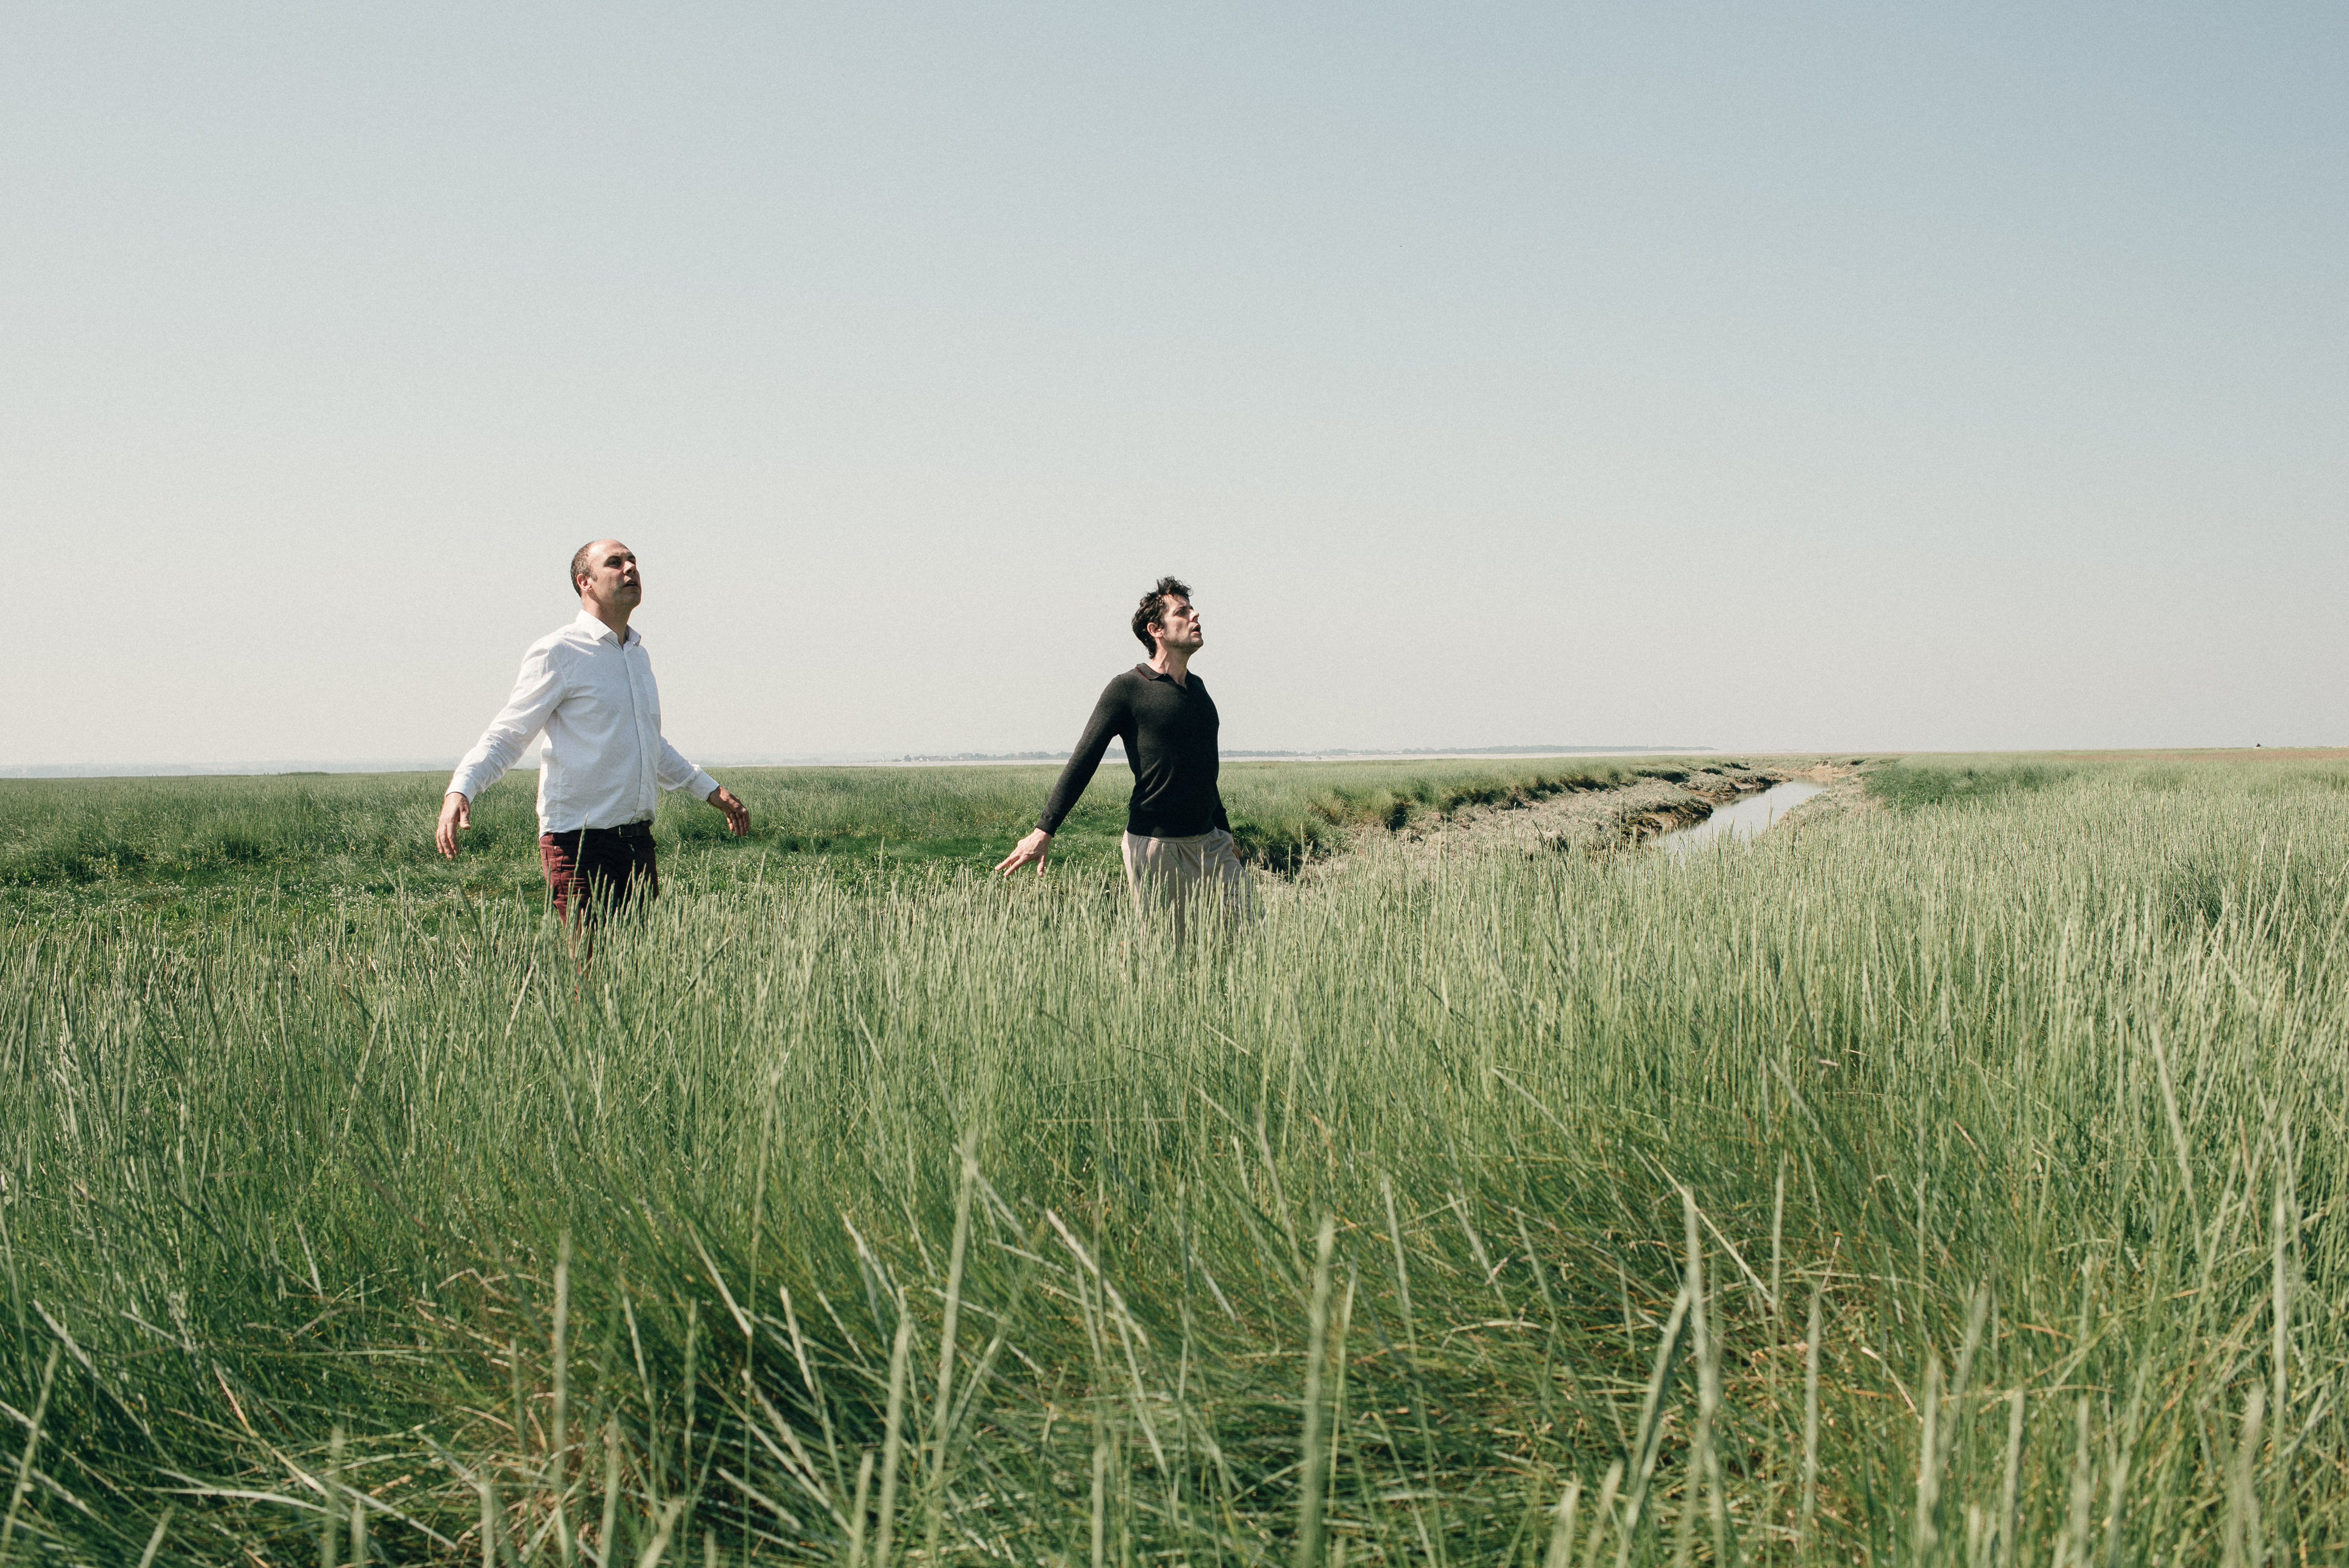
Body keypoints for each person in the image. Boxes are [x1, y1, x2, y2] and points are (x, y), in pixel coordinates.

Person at [436, 540, 748, 921]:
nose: (630, 568)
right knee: (594, 975)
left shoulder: (637, 655)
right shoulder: (559, 651)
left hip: (638, 844)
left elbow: (648, 744)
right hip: (579, 847)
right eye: (615, 563)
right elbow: (509, 734)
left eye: (633, 561)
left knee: (635, 974)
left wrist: (709, 790)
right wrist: (461, 788)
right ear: (585, 581)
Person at [996, 576, 1251, 939]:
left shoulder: (1199, 690)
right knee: (1167, 956)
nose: (1196, 616)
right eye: (1183, 612)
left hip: (1212, 843)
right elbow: (1084, 759)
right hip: (1159, 847)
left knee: (1249, 939)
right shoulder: (1128, 689)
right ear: (1156, 629)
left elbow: (1202, 771)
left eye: (1192, 610)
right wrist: (1044, 829)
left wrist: (1223, 831)